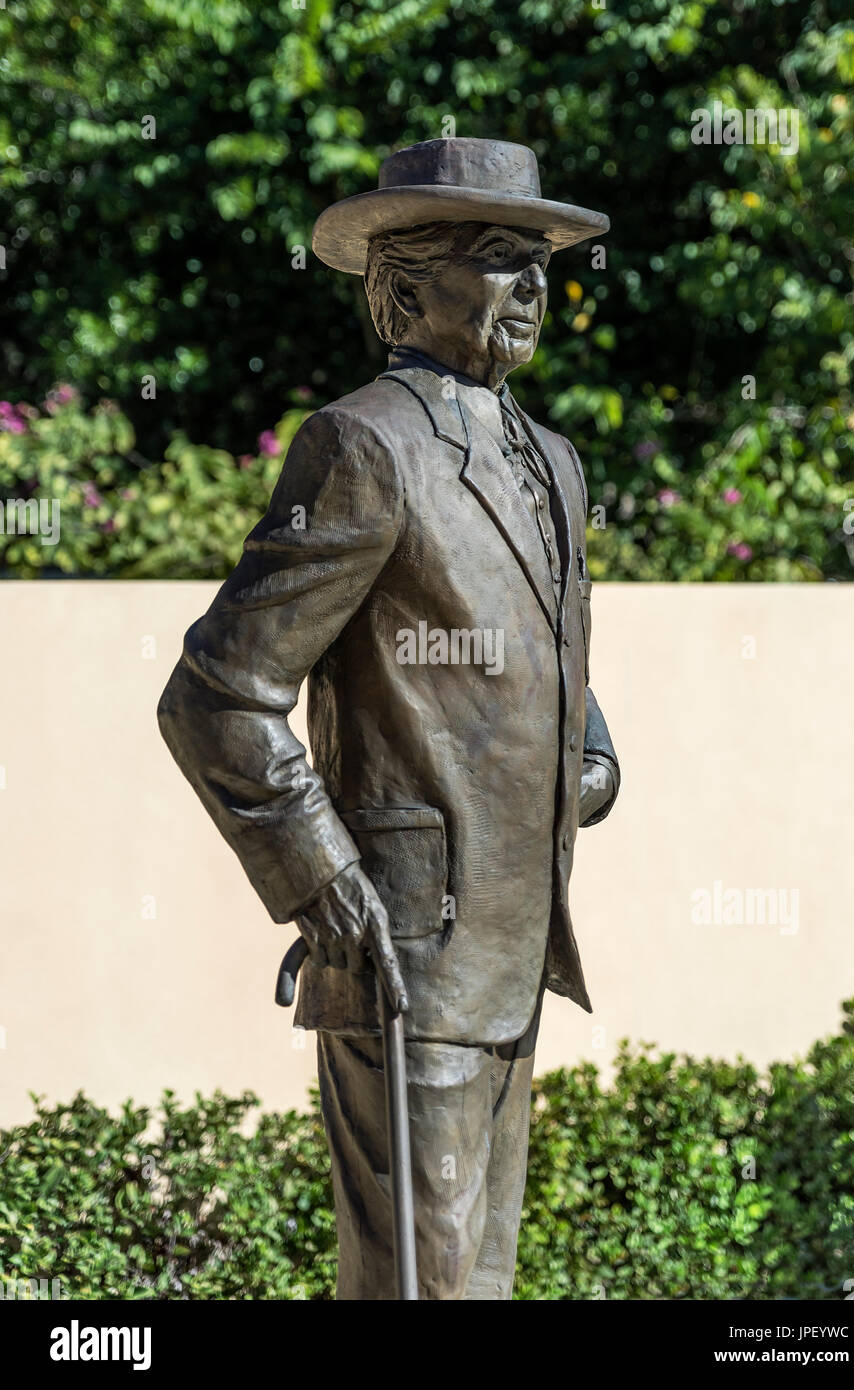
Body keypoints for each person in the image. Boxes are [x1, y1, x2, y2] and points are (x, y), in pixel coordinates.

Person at [158, 137, 620, 1300]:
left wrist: (585, 766)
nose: (530, 287)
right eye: (498, 260)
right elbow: (218, 692)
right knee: (420, 1284)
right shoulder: (364, 444)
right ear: (406, 285)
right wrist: (326, 881)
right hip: (402, 951)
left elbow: (544, 681)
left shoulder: (553, 464)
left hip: (514, 947)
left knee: (481, 1282)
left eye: (538, 263)